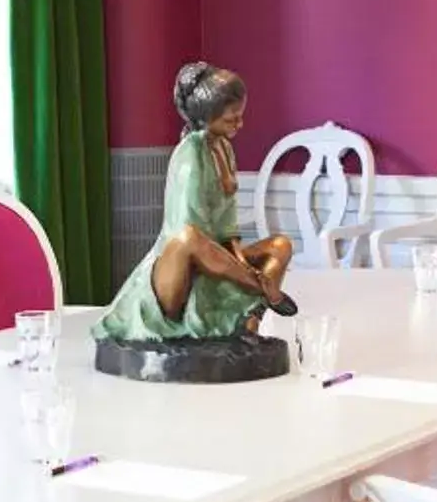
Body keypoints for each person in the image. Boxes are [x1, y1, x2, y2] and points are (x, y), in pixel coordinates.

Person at [98, 62, 296, 346]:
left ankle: (249, 323)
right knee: (189, 238)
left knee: (280, 246)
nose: (239, 125)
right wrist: (247, 275)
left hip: (220, 263)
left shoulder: (224, 148)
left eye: (240, 117)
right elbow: (192, 234)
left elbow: (227, 228)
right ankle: (265, 292)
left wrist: (240, 260)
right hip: (180, 272)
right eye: (231, 119)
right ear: (206, 117)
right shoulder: (189, 155)